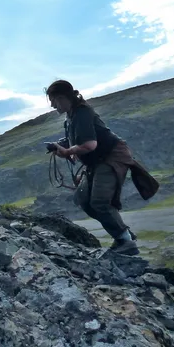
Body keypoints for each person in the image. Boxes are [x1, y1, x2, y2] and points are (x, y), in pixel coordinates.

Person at [45, 79, 141, 256]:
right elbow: (78, 142)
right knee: (84, 200)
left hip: (112, 157)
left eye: (53, 100)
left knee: (99, 201)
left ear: (62, 97)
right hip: (97, 161)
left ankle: (126, 241)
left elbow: (89, 145)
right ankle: (122, 234)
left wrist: (67, 152)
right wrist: (63, 147)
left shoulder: (82, 113)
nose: (52, 105)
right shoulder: (71, 118)